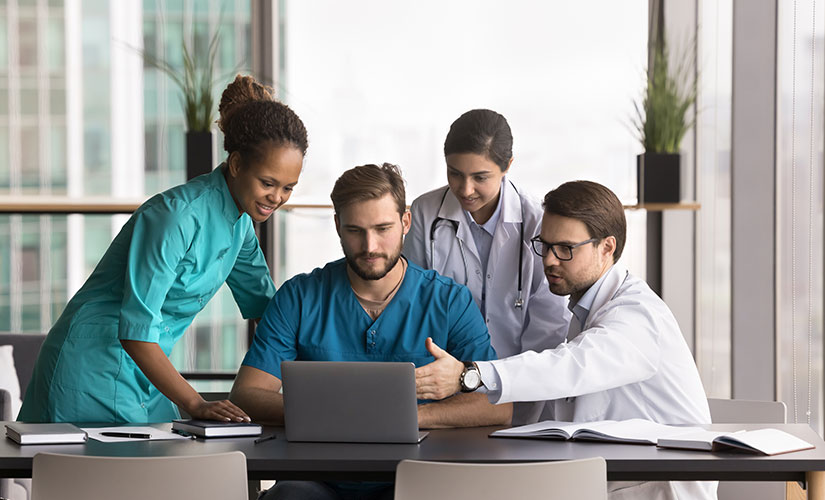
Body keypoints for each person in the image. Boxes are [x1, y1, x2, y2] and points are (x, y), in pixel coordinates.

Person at [19, 75, 309, 424]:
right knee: (92, 476)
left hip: (150, 374)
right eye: (268, 183)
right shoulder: (174, 217)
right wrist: (197, 403)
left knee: (165, 474)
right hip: (90, 367)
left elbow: (270, 313)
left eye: (288, 188)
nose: (276, 198)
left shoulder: (241, 227)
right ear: (235, 165)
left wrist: (326, 373)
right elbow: (135, 331)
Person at [414, 180, 716, 500]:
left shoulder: (638, 315)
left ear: (607, 248)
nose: (549, 260)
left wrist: (470, 375)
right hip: (612, 480)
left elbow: (571, 366)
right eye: (545, 245)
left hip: (659, 490)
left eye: (565, 249)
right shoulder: (586, 309)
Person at [231, 163, 510, 500]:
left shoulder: (449, 301)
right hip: (314, 480)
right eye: (355, 230)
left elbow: (497, 405)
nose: (370, 246)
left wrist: (403, 418)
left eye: (383, 228)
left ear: (406, 222)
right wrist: (330, 415)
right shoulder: (299, 297)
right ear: (337, 226)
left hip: (415, 479)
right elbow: (247, 394)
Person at [403, 109, 570, 423]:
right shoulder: (426, 213)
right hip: (441, 395)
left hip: (520, 394)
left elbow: (548, 332)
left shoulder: (536, 221)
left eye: (480, 177)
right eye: (455, 173)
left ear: (507, 166)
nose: (465, 189)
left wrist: (515, 403)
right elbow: (413, 303)